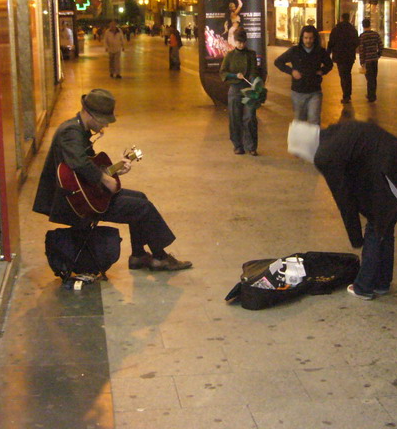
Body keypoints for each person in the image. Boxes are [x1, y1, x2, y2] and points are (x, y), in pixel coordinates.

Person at [33, 89, 192, 272]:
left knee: (141, 198)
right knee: (143, 208)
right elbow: (80, 163)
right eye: (103, 120)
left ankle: (139, 255)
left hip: (84, 193)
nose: (105, 126)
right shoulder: (70, 132)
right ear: (88, 113)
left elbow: (88, 165)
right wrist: (104, 179)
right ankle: (160, 257)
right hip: (75, 203)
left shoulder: (79, 129)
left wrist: (114, 173)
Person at [288, 119, 397, 300]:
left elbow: (344, 199)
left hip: (395, 179)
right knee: (384, 230)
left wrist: (356, 238)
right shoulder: (339, 129)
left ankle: (364, 287)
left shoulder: (325, 155)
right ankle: (382, 283)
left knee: (376, 228)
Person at [273, 24, 333, 124]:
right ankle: (302, 139)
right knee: (300, 121)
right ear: (302, 38)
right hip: (298, 92)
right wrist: (291, 71)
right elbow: (278, 62)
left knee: (314, 119)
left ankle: (314, 139)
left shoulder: (320, 51)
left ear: (314, 38)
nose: (308, 40)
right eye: (305, 38)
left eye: (310, 38)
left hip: (315, 91)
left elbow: (329, 64)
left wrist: (322, 71)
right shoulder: (294, 51)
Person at [219, 28, 260, 155]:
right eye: (238, 42)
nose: (240, 45)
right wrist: (234, 76)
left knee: (250, 117)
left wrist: (254, 81)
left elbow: (254, 71)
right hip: (235, 89)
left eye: (243, 42)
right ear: (234, 41)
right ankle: (237, 145)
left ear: (246, 42)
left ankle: (251, 146)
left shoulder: (251, 54)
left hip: (248, 89)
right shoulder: (230, 55)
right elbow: (223, 72)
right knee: (235, 118)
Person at [328, 12, 360, 104]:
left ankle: (346, 95)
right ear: (349, 18)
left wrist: (327, 54)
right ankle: (348, 94)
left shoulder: (336, 29)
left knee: (343, 75)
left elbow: (331, 43)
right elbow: (356, 42)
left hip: (339, 56)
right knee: (348, 74)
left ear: (341, 18)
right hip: (349, 56)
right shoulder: (353, 30)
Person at [356, 19, 382, 103]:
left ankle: (371, 96)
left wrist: (362, 61)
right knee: (374, 78)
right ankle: (373, 94)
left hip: (367, 60)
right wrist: (378, 54)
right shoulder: (375, 34)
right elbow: (381, 45)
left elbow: (361, 49)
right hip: (374, 59)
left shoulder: (362, 36)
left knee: (369, 78)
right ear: (369, 25)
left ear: (363, 26)